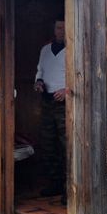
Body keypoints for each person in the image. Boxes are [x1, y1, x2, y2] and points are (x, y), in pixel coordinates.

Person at [34, 19, 67, 204]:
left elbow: (81, 73)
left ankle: (68, 188)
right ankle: (55, 183)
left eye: (63, 27)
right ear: (54, 30)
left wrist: (68, 90)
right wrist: (38, 82)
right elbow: (40, 71)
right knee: (48, 145)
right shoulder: (45, 50)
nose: (61, 31)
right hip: (47, 102)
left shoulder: (73, 49)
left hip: (65, 104)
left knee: (66, 146)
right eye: (58, 27)